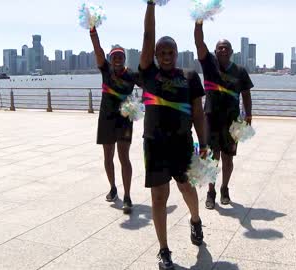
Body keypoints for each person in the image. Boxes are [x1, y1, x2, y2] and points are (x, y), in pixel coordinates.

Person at [140, 2, 207, 269]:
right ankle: (164, 249)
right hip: (154, 144)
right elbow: (147, 36)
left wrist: (203, 143)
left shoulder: (190, 77)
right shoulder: (149, 74)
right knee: (159, 196)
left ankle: (195, 220)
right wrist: (150, 4)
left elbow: (199, 114)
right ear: (156, 55)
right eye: (162, 52)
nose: (166, 56)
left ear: (177, 53)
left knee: (186, 188)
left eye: (171, 52)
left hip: (182, 143)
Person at [194, 20, 253, 209]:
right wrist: (199, 23)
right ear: (215, 51)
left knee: (228, 158)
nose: (223, 50)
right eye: (219, 48)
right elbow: (199, 42)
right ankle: (210, 192)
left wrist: (249, 116)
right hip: (211, 119)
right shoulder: (209, 65)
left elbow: (246, 94)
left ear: (231, 51)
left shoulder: (240, 71)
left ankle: (224, 189)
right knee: (212, 158)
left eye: (226, 48)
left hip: (232, 122)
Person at [89, 25, 139, 213]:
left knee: (123, 157)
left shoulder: (131, 75)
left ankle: (127, 195)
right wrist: (93, 32)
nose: (117, 59)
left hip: (124, 120)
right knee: (107, 156)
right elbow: (98, 50)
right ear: (110, 59)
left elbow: (150, 85)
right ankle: (113, 188)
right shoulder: (106, 71)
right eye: (114, 56)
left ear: (124, 58)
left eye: (120, 56)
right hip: (106, 119)